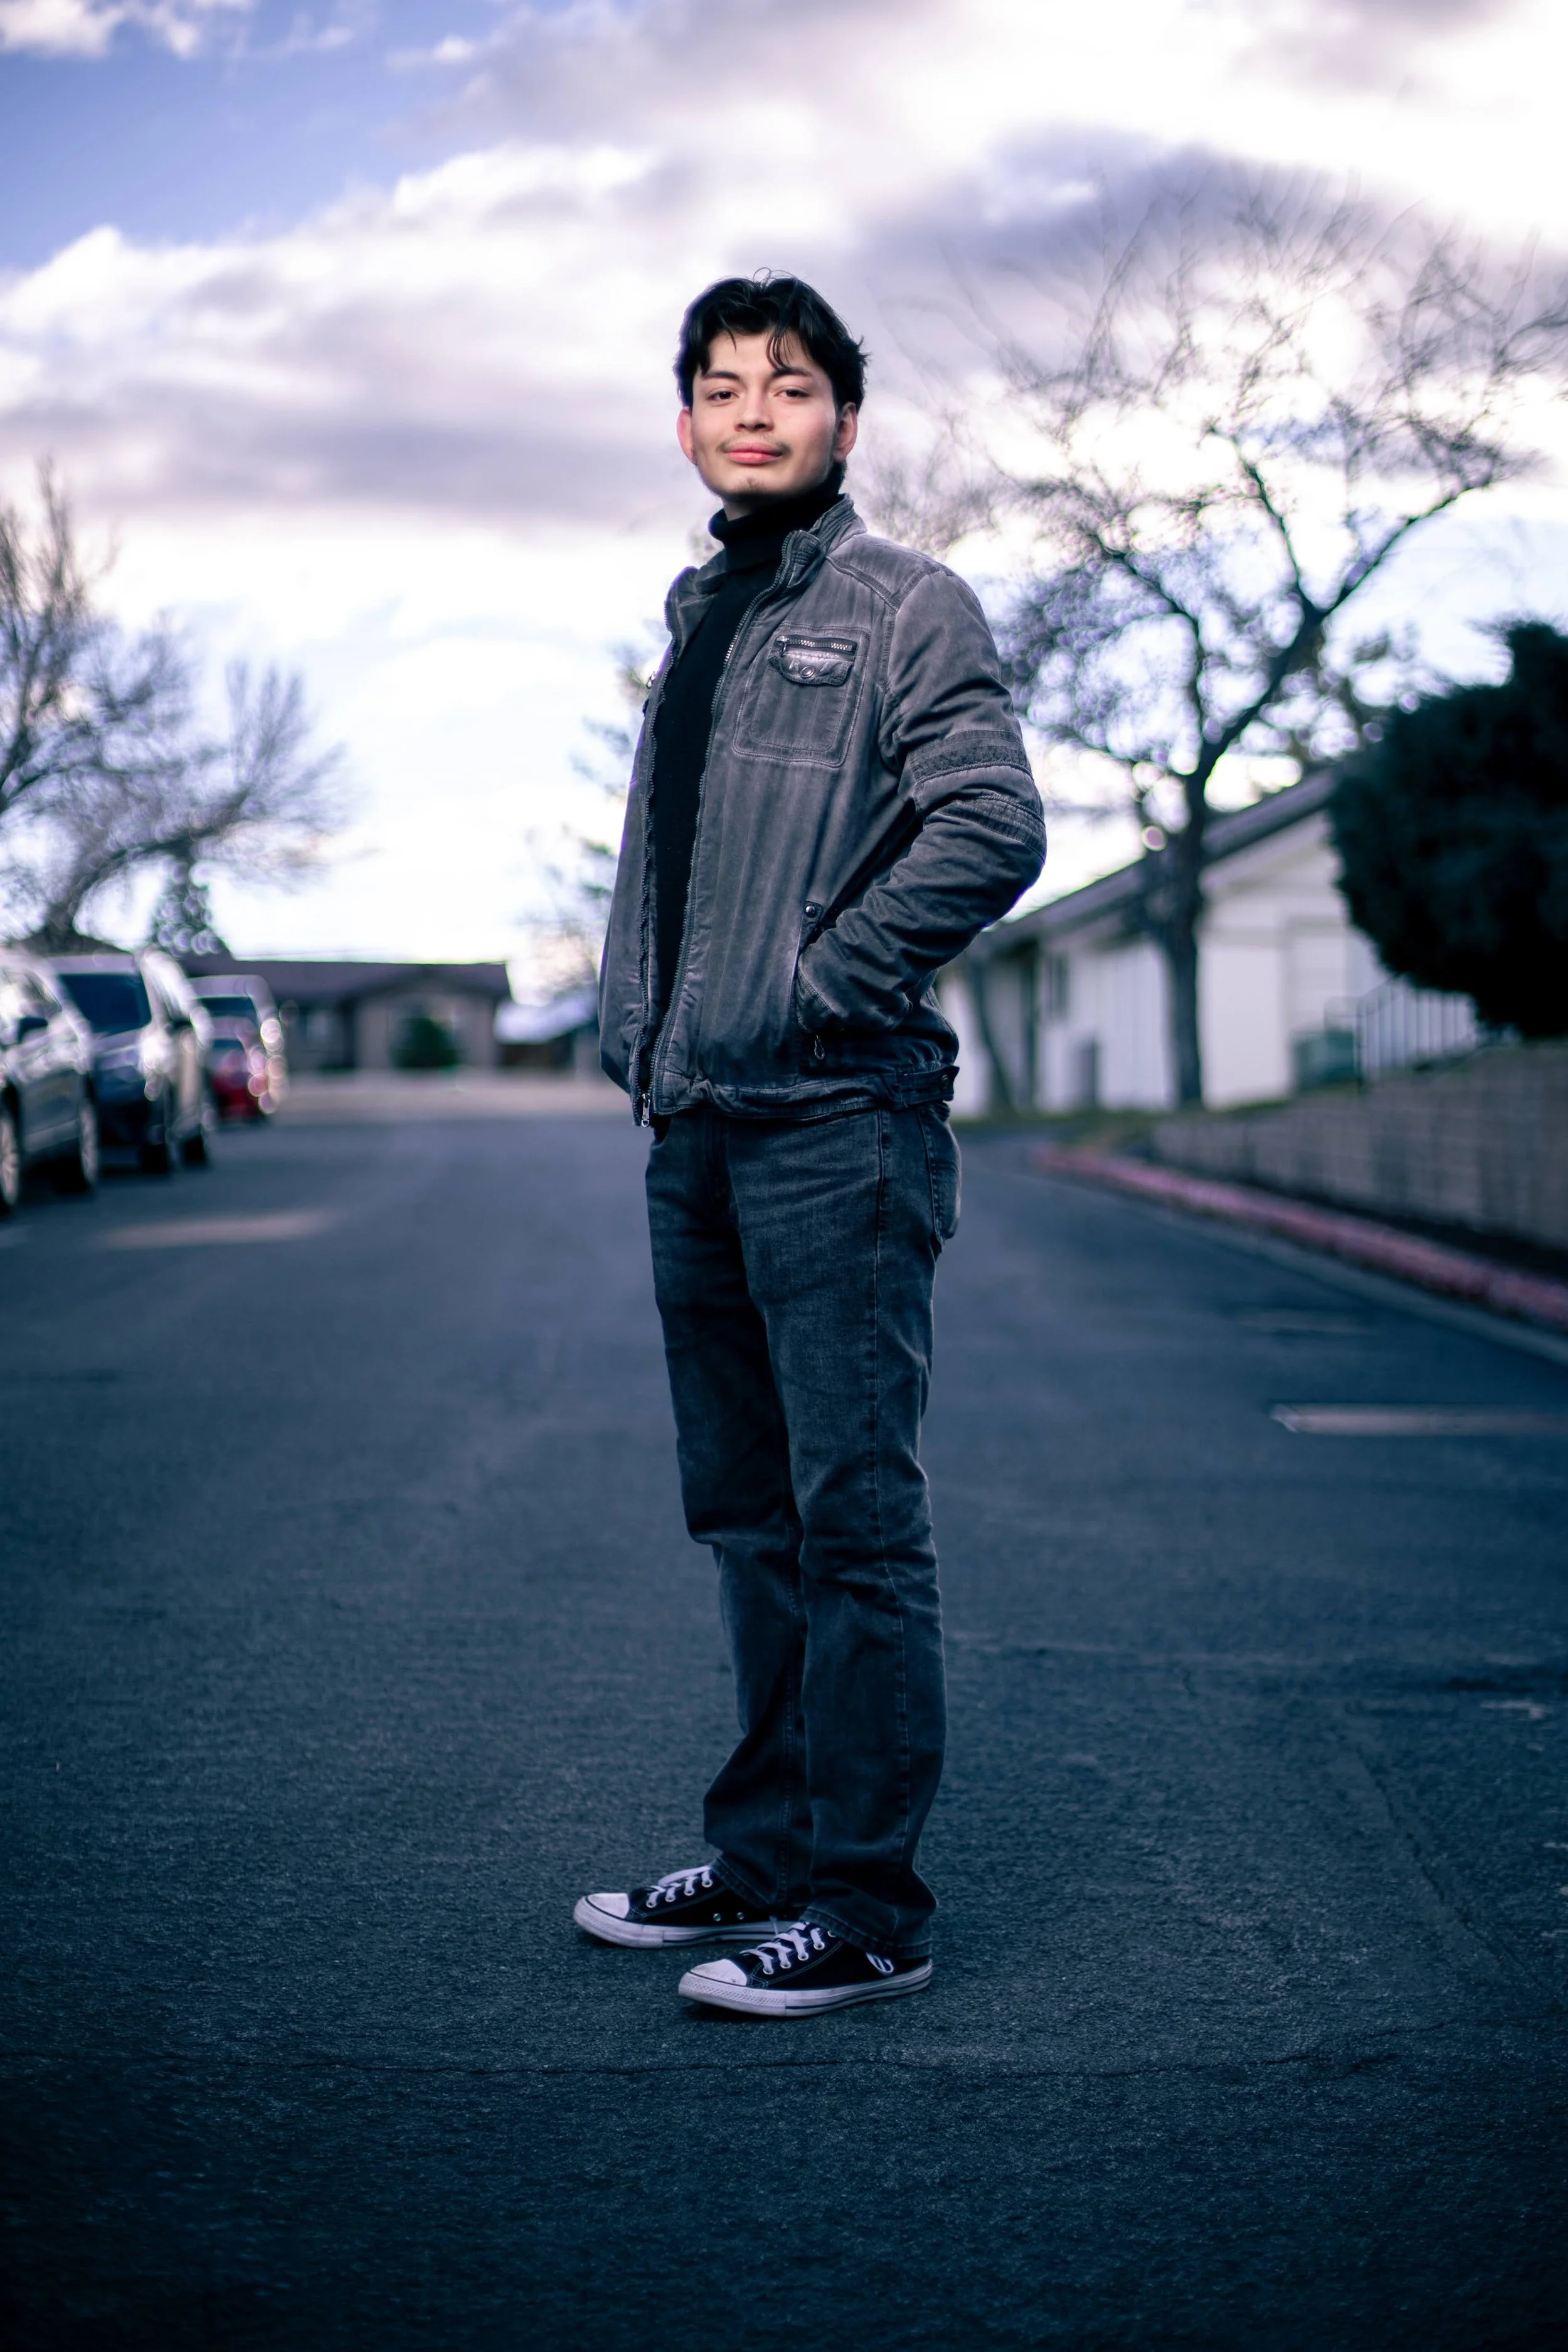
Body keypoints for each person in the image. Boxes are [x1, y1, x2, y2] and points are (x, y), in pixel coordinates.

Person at [576, 273, 1044, 2017]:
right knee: (748, 1517)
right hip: (695, 1122)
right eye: (718, 385)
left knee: (851, 1520)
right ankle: (767, 1851)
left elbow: (990, 821)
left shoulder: (903, 604)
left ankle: (866, 1904)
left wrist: (817, 978)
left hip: (837, 1120)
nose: (751, 409)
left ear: (844, 417)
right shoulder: (702, 610)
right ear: (685, 421)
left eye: (788, 383)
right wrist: (646, 1033)